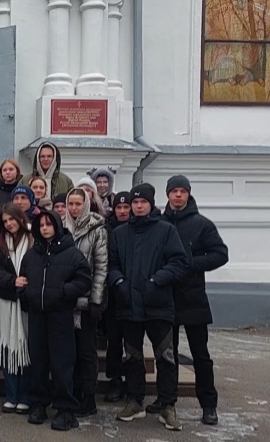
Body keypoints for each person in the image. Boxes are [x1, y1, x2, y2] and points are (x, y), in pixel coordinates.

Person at [108, 184, 188, 431]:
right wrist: (119, 282)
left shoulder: (166, 230)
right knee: (132, 356)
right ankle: (135, 400)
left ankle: (168, 405)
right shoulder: (120, 233)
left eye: (143, 202)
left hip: (158, 305)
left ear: (151, 204)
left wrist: (157, 280)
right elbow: (112, 264)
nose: (139, 206)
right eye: (135, 202)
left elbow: (179, 262)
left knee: (166, 357)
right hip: (129, 305)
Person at [162, 175, 229, 426]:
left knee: (200, 355)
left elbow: (220, 254)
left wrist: (191, 263)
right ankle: (167, 401)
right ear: (168, 194)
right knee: (167, 354)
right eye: (174, 191)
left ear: (188, 194)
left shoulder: (202, 224)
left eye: (183, 191)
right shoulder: (160, 224)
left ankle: (209, 404)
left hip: (193, 298)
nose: (178, 195)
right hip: (166, 297)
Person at [18, 211, 92, 431]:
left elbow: (84, 280)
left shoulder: (72, 253)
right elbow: (22, 280)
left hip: (60, 315)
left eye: (49, 224)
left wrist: (64, 291)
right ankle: (39, 403)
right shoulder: (32, 255)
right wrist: (26, 295)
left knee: (62, 363)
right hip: (37, 315)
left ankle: (65, 409)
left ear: (57, 226)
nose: (45, 228)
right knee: (38, 361)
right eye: (41, 225)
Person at [63, 188, 108, 417]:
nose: (74, 208)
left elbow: (101, 267)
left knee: (87, 353)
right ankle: (72, 394)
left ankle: (89, 398)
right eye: (70, 203)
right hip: (64, 302)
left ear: (86, 204)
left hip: (87, 304)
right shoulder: (62, 227)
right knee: (68, 353)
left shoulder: (97, 230)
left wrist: (96, 301)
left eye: (78, 204)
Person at [0, 204, 33, 415]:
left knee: (26, 347)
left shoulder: (33, 240)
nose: (9, 224)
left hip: (27, 303)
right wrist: (12, 280)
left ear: (20, 218)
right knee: (8, 346)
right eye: (5, 221)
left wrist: (26, 282)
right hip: (7, 301)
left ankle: (25, 396)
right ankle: (11, 395)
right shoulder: (0, 244)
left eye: (11, 219)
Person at [102, 190, 131, 403]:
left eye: (126, 207)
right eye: (119, 207)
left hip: (135, 293)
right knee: (114, 340)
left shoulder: (140, 229)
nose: (122, 211)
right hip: (113, 292)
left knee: (132, 341)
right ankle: (115, 380)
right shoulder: (107, 228)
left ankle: (132, 381)